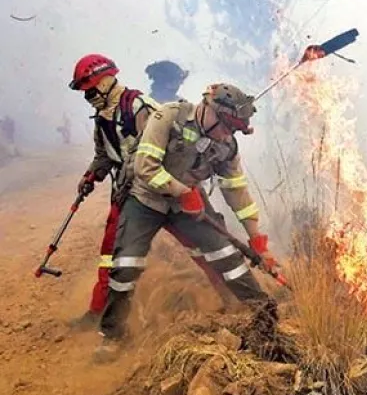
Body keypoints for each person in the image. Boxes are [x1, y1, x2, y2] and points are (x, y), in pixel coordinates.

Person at [95, 82, 279, 361]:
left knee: (226, 254)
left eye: (233, 129)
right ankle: (113, 334)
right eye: (226, 126)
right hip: (146, 200)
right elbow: (146, 168)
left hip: (189, 202)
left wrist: (257, 241)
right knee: (126, 266)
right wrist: (180, 192)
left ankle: (265, 312)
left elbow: (237, 191)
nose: (227, 134)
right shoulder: (169, 116)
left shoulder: (226, 145)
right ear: (209, 110)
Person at [66, 53, 234, 330]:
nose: (88, 96)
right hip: (131, 196)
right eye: (85, 92)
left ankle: (231, 296)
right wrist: (92, 174)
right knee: (113, 255)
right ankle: (101, 313)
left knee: (202, 245)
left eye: (90, 90)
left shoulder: (140, 107)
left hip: (166, 193)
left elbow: (158, 154)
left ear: (106, 81)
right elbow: (104, 153)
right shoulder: (103, 116)